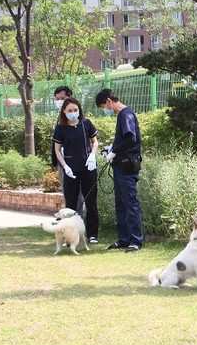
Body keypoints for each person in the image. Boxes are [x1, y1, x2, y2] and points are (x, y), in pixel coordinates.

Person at [95, 88, 143, 253]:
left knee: (130, 203)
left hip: (127, 165)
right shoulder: (122, 115)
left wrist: (115, 151)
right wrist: (112, 148)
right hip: (120, 165)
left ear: (109, 101)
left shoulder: (125, 114)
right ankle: (124, 239)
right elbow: (124, 139)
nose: (105, 110)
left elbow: (131, 138)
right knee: (121, 203)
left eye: (104, 107)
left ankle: (135, 240)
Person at [52, 97, 100, 243]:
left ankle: (92, 234)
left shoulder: (86, 124)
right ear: (64, 112)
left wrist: (92, 155)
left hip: (87, 168)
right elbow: (57, 150)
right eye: (70, 110)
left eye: (75, 110)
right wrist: (65, 166)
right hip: (71, 170)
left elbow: (94, 142)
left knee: (91, 202)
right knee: (71, 203)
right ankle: (70, 235)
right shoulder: (61, 128)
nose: (73, 113)